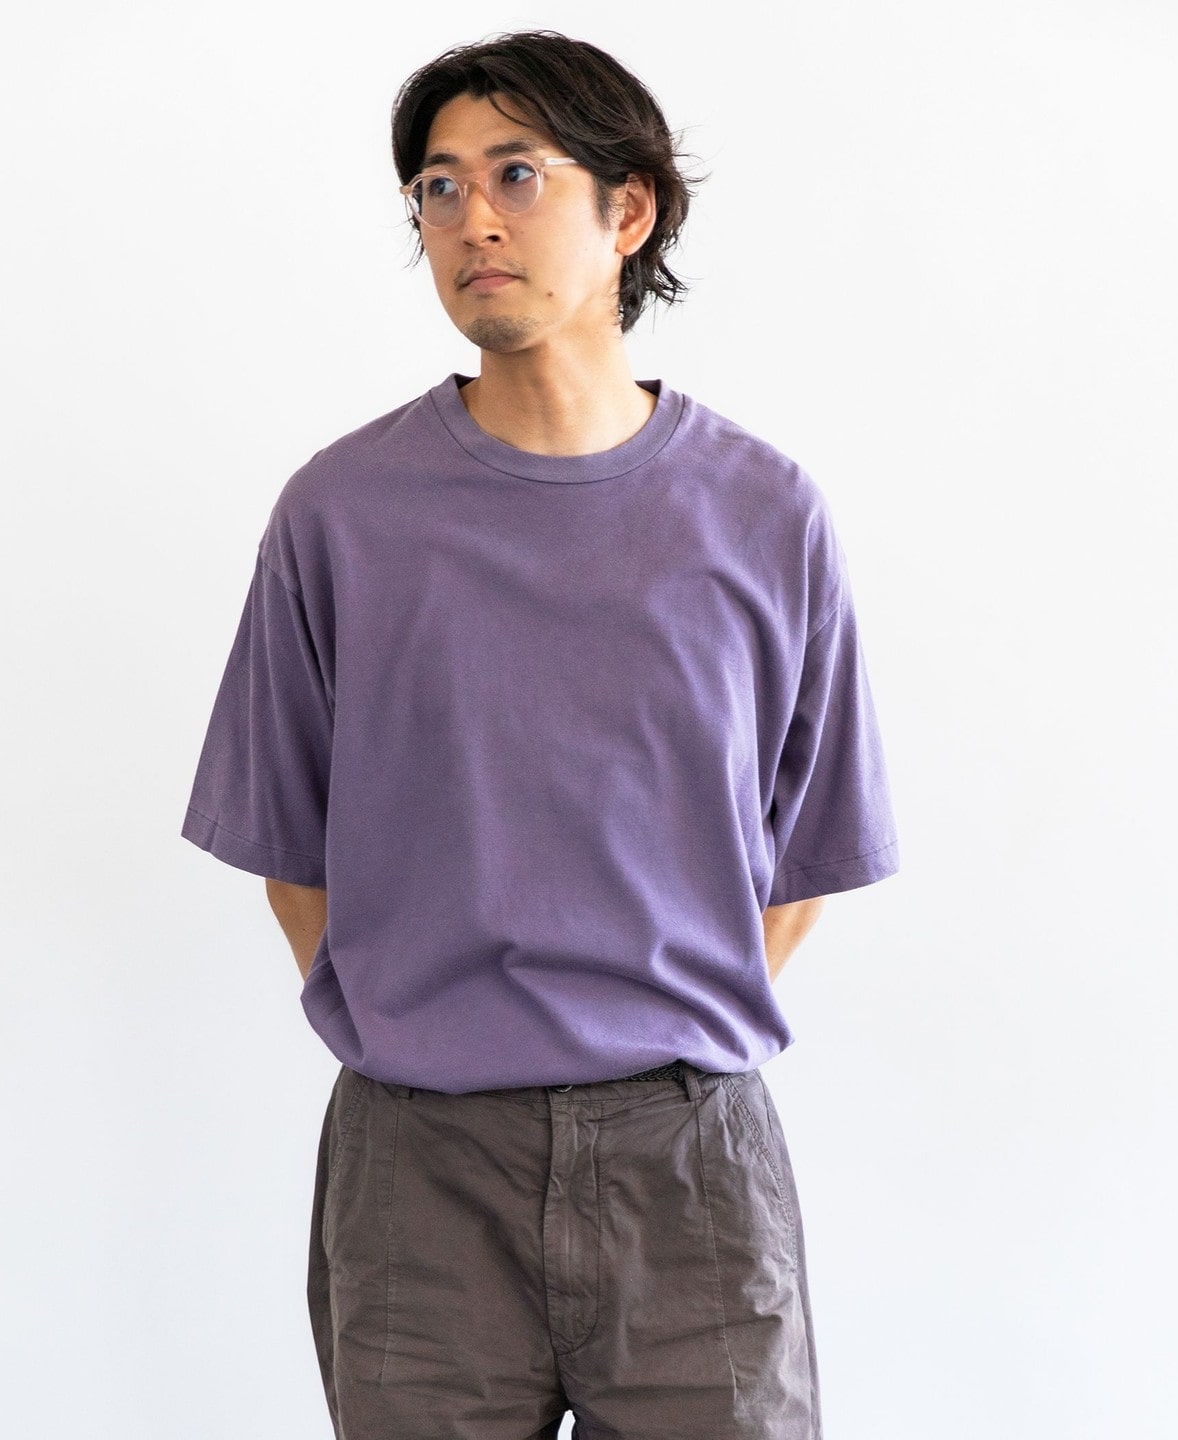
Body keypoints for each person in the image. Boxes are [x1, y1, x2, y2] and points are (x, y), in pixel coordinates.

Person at [181, 28, 898, 1440]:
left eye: (516, 173)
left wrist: (652, 1041)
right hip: (419, 1168)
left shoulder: (764, 516)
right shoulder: (341, 515)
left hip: (689, 1165)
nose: (473, 220)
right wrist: (422, 1033)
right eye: (438, 189)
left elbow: (804, 861)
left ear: (628, 211)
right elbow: (288, 847)